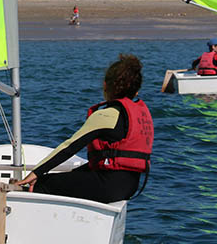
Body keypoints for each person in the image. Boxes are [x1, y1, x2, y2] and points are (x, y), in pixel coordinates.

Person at [12, 54, 153, 203]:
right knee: (71, 176)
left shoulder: (106, 115)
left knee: (44, 183)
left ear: (105, 85)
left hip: (109, 186)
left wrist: (36, 173)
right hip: (130, 186)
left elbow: (69, 147)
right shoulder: (140, 115)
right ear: (136, 91)